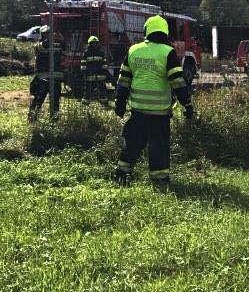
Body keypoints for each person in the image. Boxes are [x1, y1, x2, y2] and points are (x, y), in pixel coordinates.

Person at [112, 15, 194, 188]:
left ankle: (121, 174)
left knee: (132, 144)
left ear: (146, 31)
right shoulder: (167, 52)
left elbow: (123, 80)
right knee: (159, 147)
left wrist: (119, 102)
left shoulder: (134, 50)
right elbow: (178, 82)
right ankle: (160, 180)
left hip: (137, 111)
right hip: (159, 114)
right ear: (165, 31)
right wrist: (187, 104)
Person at [28, 25, 63, 122]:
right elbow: (42, 46)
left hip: (53, 79)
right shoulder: (39, 45)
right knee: (38, 100)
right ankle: (33, 120)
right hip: (43, 80)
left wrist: (59, 38)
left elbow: (63, 48)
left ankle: (54, 121)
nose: (48, 36)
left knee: (54, 103)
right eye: (46, 34)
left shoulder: (57, 45)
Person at [80, 36, 108, 104]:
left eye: (96, 43)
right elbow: (83, 64)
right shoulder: (86, 53)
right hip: (90, 75)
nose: (95, 45)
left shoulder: (101, 53)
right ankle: (85, 102)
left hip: (99, 75)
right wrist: (84, 73)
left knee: (102, 89)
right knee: (88, 89)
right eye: (93, 43)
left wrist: (104, 73)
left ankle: (103, 101)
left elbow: (104, 64)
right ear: (90, 44)